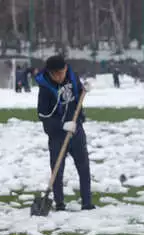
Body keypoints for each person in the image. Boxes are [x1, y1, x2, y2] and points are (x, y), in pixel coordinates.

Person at [35, 54, 94, 211]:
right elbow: (43, 115)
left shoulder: (72, 77)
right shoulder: (45, 89)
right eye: (56, 74)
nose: (60, 76)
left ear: (66, 68)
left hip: (76, 129)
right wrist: (62, 126)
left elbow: (78, 95)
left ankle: (87, 202)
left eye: (62, 72)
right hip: (57, 135)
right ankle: (59, 203)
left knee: (84, 166)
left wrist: (84, 89)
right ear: (50, 73)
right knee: (57, 169)